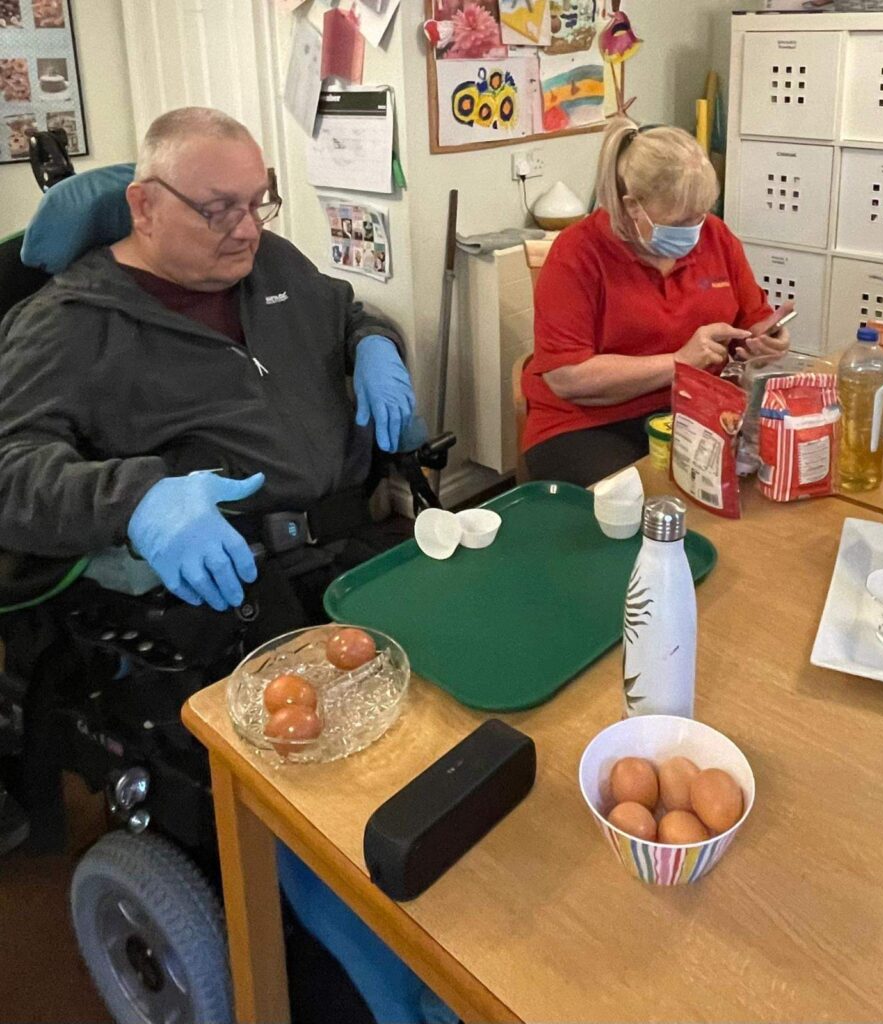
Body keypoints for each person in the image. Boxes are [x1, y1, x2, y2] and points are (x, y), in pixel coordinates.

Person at [0, 107, 456, 1024]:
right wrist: (137, 500)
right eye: (219, 209)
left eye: (259, 201)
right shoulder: (69, 325)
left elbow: (346, 309)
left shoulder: (270, 266)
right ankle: (405, 989)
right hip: (229, 583)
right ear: (144, 206)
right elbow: (11, 472)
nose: (247, 228)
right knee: (329, 793)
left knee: (463, 695)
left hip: (353, 547)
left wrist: (374, 342)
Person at [522, 117, 792, 486]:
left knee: (768, 477)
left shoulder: (715, 236)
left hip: (695, 409)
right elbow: (567, 378)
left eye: (701, 215)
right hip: (590, 424)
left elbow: (751, 321)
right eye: (680, 221)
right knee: (640, 501)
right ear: (633, 206)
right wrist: (679, 361)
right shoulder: (577, 253)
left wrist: (766, 339)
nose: (695, 231)